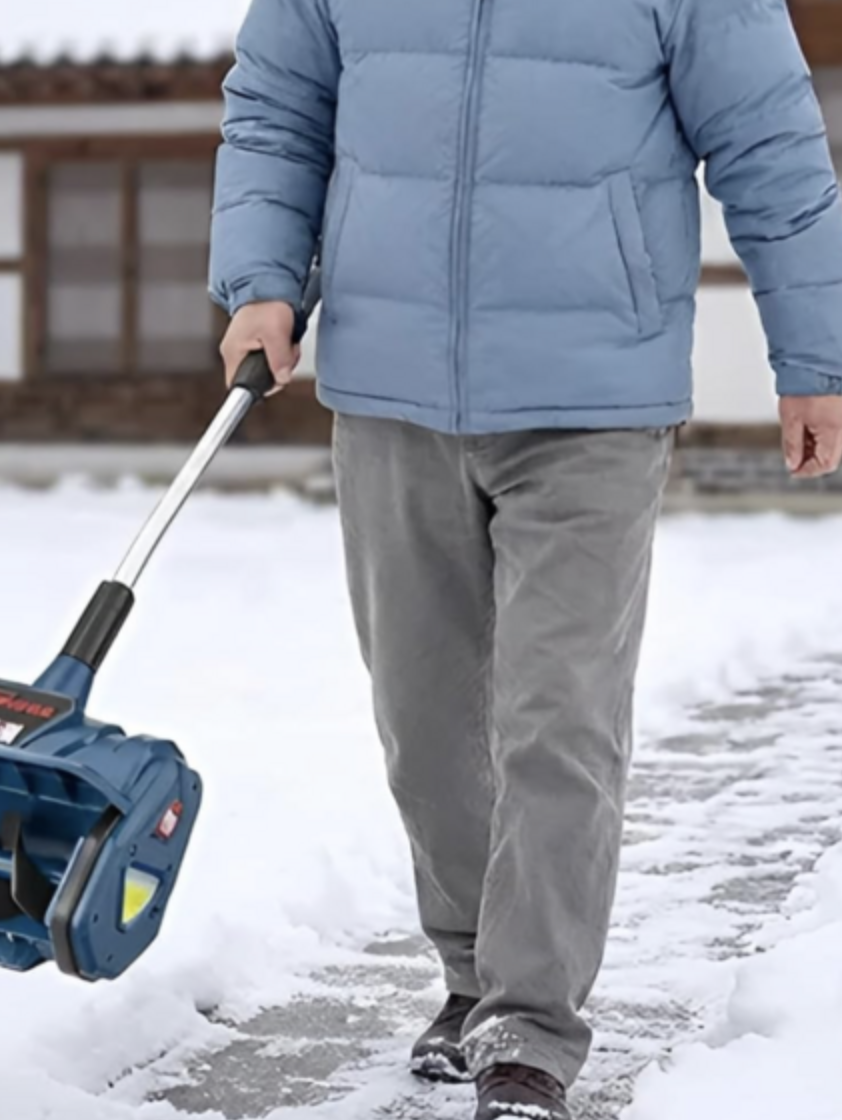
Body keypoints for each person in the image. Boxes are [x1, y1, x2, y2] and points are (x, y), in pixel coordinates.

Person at [208, 2, 842, 1117]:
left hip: (591, 397)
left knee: (559, 710)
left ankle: (530, 1022)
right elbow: (276, 108)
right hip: (391, 390)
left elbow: (769, 143)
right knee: (424, 714)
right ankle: (469, 978)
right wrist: (260, 278)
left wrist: (814, 357)